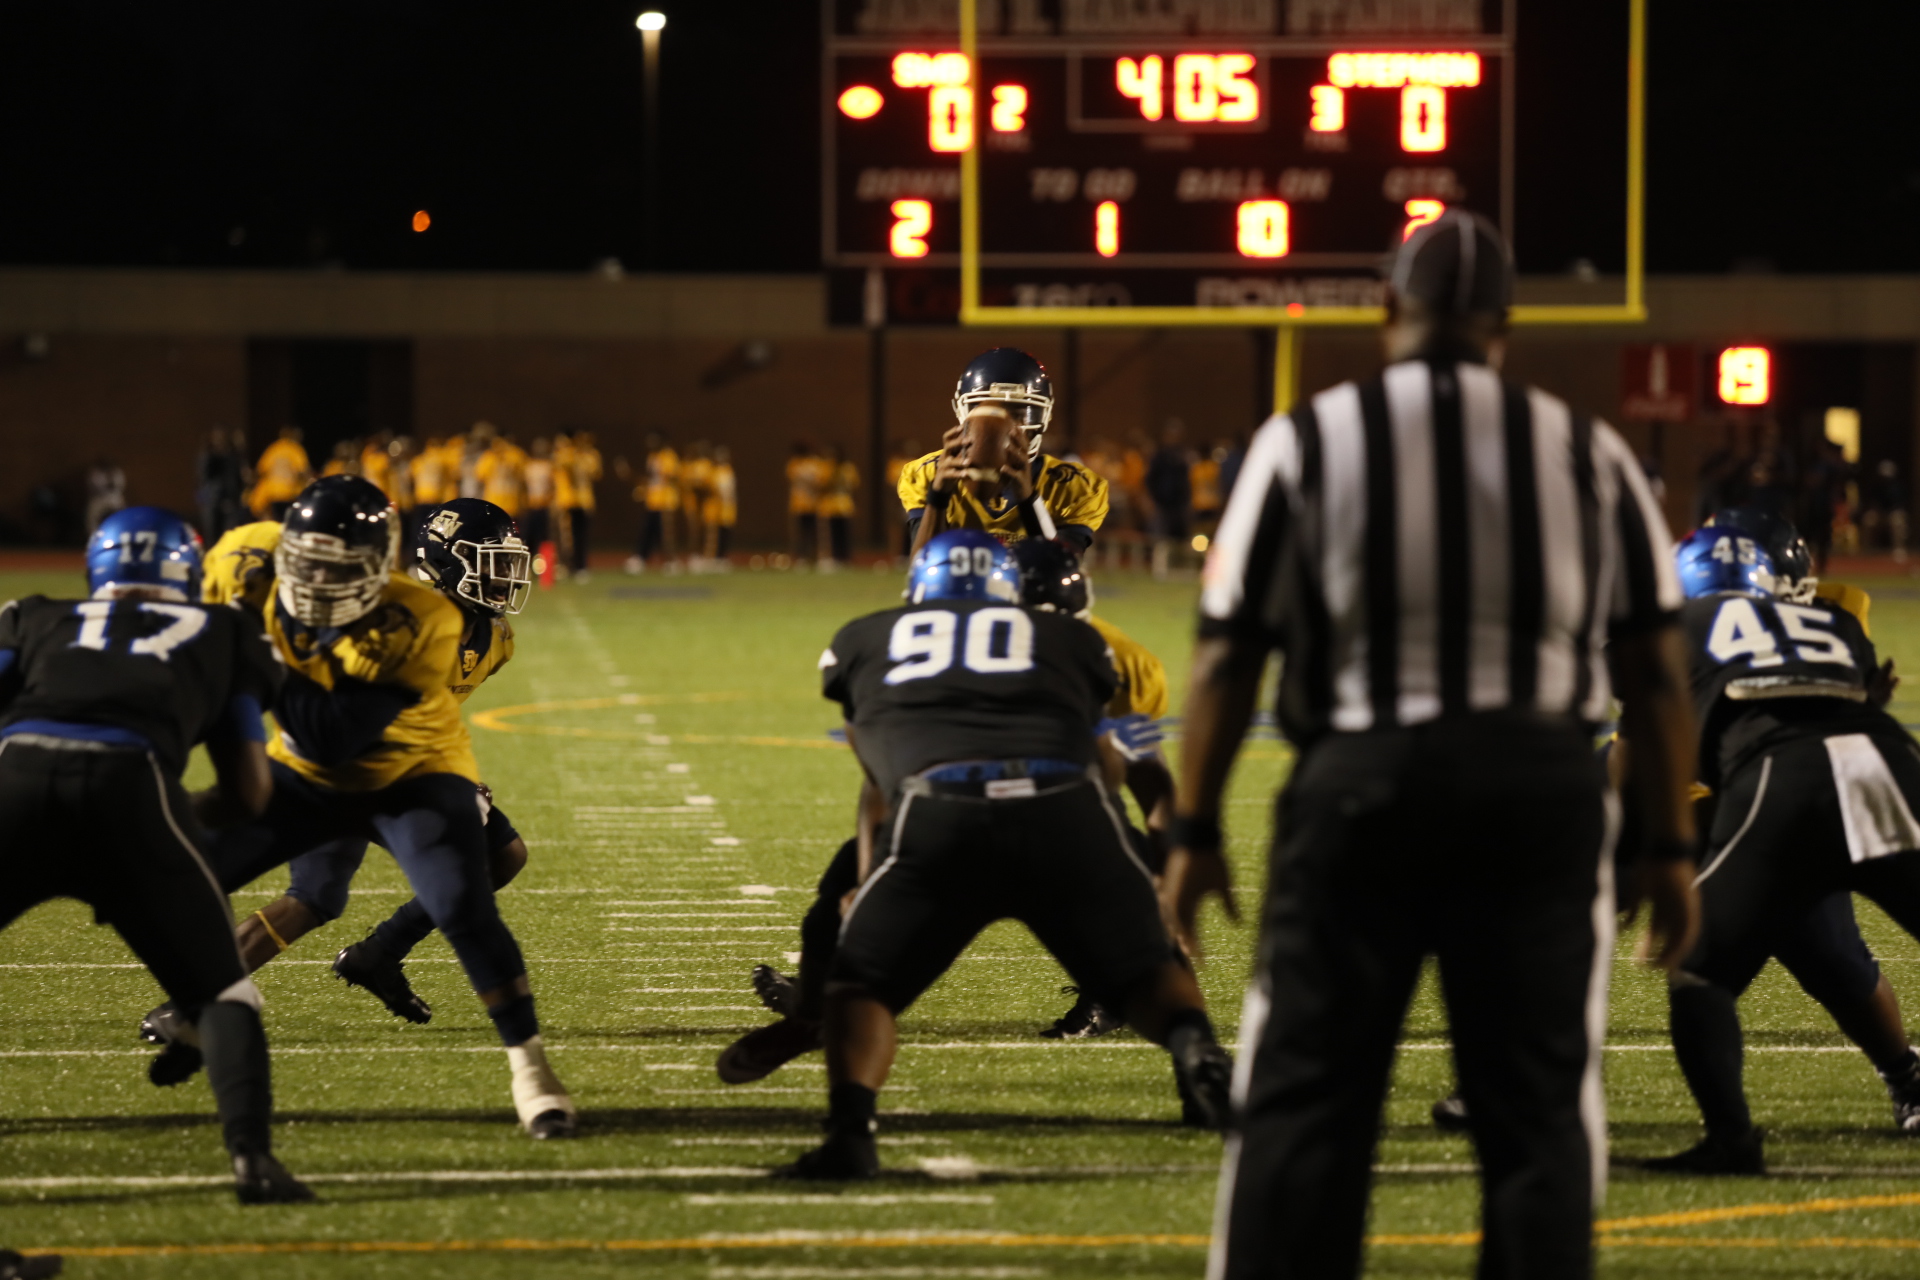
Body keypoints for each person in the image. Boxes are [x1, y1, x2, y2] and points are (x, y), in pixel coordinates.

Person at [1168, 210, 1700, 1280]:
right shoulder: (1589, 450)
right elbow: (1653, 670)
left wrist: (1192, 824)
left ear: (1384, 309)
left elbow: (1228, 657)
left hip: (1361, 786)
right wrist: (1667, 844)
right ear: (1507, 322)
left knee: (1307, 1107)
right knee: (1538, 1119)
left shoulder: (1309, 436)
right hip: (1540, 793)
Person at [787, 529, 1232, 1178]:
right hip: (1067, 809)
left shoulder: (866, 637)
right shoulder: (1076, 641)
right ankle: (1197, 1054)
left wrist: (867, 877)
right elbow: (1119, 767)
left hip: (941, 814)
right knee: (1143, 969)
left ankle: (852, 1135)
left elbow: (878, 782)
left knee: (863, 985)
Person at [148, 476, 574, 1139]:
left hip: (403, 768)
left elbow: (362, 720)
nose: (503, 584)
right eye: (491, 567)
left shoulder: (451, 628)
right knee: (300, 894)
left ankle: (505, 1050)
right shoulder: (251, 556)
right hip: (315, 767)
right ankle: (197, 996)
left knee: (482, 875)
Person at [721, 538, 1179, 1077]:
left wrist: (1164, 869)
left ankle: (838, 1067)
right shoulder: (1060, 645)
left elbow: (1135, 774)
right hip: (1008, 812)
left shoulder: (1090, 652)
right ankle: (818, 1012)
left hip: (1047, 810)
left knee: (1135, 923)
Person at [0, 507, 309, 1203]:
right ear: (187, 570)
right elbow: (249, 792)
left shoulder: (33, 614)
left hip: (13, 777)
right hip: (131, 786)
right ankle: (253, 1162)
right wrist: (174, 828)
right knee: (224, 989)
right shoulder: (227, 629)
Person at [1643, 524, 1920, 1172]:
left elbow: (1639, 750)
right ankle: (1907, 1078)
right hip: (1889, 765)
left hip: (1776, 783)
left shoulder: (1674, 623)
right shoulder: (1835, 616)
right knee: (1820, 942)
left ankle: (1732, 1140)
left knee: (1701, 962)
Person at [898, 350, 1109, 558]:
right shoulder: (927, 473)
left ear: (1044, 416)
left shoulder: (1072, 485)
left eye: (1018, 414)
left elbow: (1058, 570)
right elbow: (922, 569)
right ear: (961, 412)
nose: (1003, 428)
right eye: (987, 416)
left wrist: (1028, 499)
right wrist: (938, 496)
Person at [1144, 419, 1193, 579]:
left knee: (1180, 536)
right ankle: (1161, 570)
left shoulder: (1183, 455)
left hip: (1180, 502)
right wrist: (1151, 499)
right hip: (1162, 502)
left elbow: (1187, 480)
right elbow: (1150, 479)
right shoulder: (1160, 455)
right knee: (1162, 537)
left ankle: (1180, 568)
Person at [629, 432, 680, 572]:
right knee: (648, 530)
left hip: (666, 501)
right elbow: (651, 479)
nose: (651, 443)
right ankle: (641, 558)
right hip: (652, 500)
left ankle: (671, 561)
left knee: (666, 533)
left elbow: (672, 477)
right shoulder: (652, 457)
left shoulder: (668, 456)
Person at [557, 431, 603, 578]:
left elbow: (595, 474)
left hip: (584, 501)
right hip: (568, 501)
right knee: (565, 537)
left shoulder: (591, 456)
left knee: (582, 535)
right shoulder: (567, 454)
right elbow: (563, 466)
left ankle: (580, 566)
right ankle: (566, 566)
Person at [249, 427, 311, 520]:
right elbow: (303, 471)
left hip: (269, 494)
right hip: (288, 493)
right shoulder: (295, 449)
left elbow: (260, 470)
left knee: (268, 522)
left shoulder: (274, 447)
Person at [819, 444, 858, 569]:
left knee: (844, 534)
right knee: (831, 534)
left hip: (844, 504)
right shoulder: (826, 467)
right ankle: (833, 558)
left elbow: (853, 485)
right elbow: (822, 485)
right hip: (830, 505)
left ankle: (845, 558)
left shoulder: (848, 468)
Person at [787, 441, 824, 564]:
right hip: (798, 503)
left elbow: (819, 481)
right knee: (800, 532)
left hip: (813, 503)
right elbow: (793, 477)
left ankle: (815, 557)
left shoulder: (815, 462)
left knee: (814, 532)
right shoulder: (795, 463)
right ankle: (801, 557)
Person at [680, 441, 714, 566]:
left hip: (706, 504)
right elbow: (683, 484)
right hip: (692, 504)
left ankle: (707, 556)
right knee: (694, 530)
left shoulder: (706, 464)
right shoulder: (688, 466)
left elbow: (709, 485)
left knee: (707, 530)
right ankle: (694, 555)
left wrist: (698, 486)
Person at [521, 437, 556, 556]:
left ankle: (546, 566)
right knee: (528, 536)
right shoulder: (528, 465)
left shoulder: (549, 466)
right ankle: (526, 564)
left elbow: (553, 487)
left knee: (545, 537)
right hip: (531, 505)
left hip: (544, 506)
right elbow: (523, 486)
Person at [705, 445, 737, 564]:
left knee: (725, 534)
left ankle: (721, 557)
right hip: (717, 509)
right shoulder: (715, 472)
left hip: (726, 508)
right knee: (715, 536)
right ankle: (713, 558)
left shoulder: (728, 470)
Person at [84, 457, 126, 533]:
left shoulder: (117, 471)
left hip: (114, 497)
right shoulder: (95, 471)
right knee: (93, 513)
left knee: (121, 514)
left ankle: (119, 533)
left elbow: (120, 485)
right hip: (98, 498)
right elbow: (93, 486)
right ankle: (94, 536)